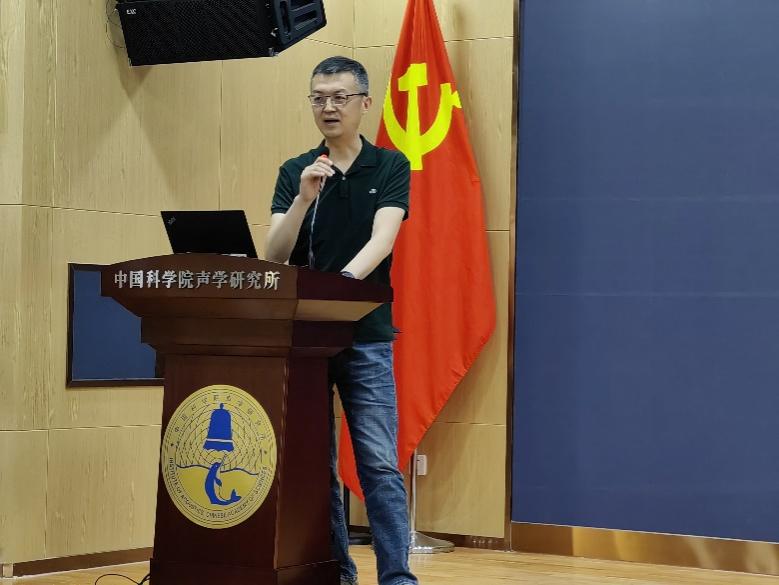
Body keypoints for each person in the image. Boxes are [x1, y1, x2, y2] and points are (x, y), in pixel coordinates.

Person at [265, 56, 418, 585]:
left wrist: (342, 288)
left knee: (377, 462)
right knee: (318, 465)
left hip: (365, 335)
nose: (328, 107)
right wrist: (303, 199)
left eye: (339, 97)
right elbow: (275, 254)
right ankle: (338, 573)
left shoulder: (390, 165)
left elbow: (383, 239)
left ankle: (397, 576)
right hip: (306, 340)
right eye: (319, 98)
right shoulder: (297, 169)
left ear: (364, 103)